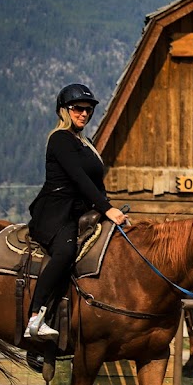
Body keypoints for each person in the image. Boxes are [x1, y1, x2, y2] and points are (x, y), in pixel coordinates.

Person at [25, 83, 126, 340]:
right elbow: (79, 179)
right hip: (55, 213)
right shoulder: (59, 140)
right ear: (63, 111)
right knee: (65, 252)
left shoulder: (85, 143)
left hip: (81, 213)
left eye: (88, 109)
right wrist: (107, 209)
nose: (84, 113)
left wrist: (109, 209)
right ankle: (35, 316)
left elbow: (96, 184)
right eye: (78, 108)